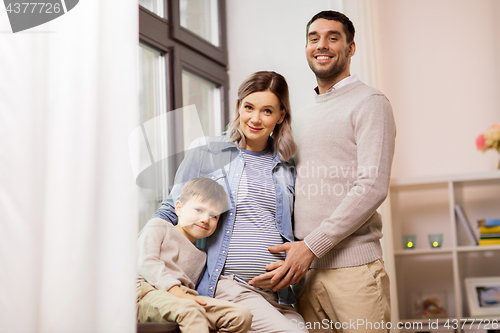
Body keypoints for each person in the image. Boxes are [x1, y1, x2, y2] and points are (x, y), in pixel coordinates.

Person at [249, 10, 396, 333]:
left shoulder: (370, 102)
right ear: (306, 48)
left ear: (351, 48)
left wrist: (311, 246)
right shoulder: (298, 117)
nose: (322, 45)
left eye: (333, 37)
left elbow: (372, 186)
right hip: (305, 274)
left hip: (354, 271)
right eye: (314, 38)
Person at [151, 71, 309, 332]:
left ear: (281, 116)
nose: (255, 119)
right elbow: (171, 209)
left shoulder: (287, 168)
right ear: (239, 107)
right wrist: (142, 255)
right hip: (227, 285)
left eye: (267, 111)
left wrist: (288, 270)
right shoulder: (207, 151)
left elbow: (292, 230)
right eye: (249, 107)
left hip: (277, 295)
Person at [137, 177, 252, 333]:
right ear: (178, 208)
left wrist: (185, 297)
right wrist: (178, 294)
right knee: (190, 309)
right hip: (146, 293)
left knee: (241, 315)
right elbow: (147, 263)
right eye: (199, 210)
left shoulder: (202, 256)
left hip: (183, 299)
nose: (205, 219)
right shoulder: (159, 226)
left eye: (214, 216)